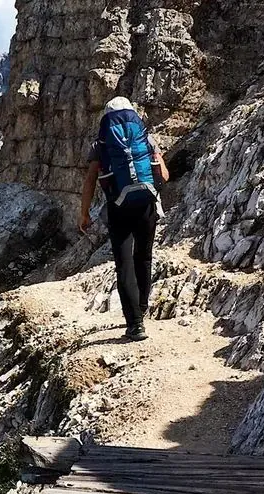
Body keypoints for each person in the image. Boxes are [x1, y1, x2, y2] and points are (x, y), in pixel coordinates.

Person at [78, 97, 169, 341]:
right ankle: (142, 308)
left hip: (118, 207)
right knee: (144, 256)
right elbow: (165, 175)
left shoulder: (102, 142)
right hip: (147, 205)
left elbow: (90, 180)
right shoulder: (145, 137)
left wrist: (84, 213)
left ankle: (135, 324)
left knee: (124, 262)